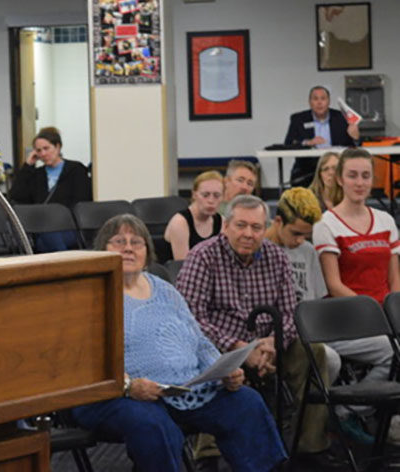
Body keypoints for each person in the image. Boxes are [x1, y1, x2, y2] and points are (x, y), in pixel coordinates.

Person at [72, 214, 285, 472]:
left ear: (147, 252)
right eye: (118, 241)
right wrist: (128, 386)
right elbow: (83, 360)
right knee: (153, 425)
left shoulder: (165, 290)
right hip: (115, 396)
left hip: (182, 388)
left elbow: (198, 341)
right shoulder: (91, 294)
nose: (128, 247)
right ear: (102, 249)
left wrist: (223, 370)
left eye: (136, 242)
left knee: (246, 402)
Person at [176, 195, 337, 467]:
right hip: (220, 345)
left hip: (269, 344)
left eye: (256, 227)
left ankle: (310, 447)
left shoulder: (276, 256)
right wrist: (237, 348)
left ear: (265, 229)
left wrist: (273, 343)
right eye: (241, 225)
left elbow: (289, 312)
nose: (248, 234)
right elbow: (189, 319)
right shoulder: (202, 256)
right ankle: (208, 455)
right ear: (225, 226)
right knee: (212, 359)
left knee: (315, 353)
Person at [269, 187, 396, 445]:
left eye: (305, 235)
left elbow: (316, 301)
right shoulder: (266, 251)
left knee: (390, 349)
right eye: (295, 233)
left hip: (316, 329)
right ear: (278, 221)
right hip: (289, 334)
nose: (299, 241)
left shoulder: (306, 250)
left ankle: (346, 412)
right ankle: (309, 432)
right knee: (330, 361)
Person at [313, 147, 400, 305]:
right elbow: (333, 285)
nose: (360, 183)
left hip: (388, 315)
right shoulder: (325, 223)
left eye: (366, 176)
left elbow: (395, 279)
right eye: (352, 176)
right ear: (340, 179)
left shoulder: (386, 220)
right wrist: (371, 310)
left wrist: (394, 311)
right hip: (351, 313)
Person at [9, 126, 91, 252]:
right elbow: (16, 195)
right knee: (45, 238)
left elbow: (82, 200)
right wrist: (28, 166)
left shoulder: (76, 169)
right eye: (38, 151)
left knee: (48, 239)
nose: (43, 154)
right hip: (41, 227)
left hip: (69, 227)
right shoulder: (37, 174)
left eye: (46, 148)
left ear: (58, 147)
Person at [284, 86, 359, 186]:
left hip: (337, 164)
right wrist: (307, 142)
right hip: (307, 165)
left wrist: (356, 137)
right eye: (315, 99)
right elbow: (288, 143)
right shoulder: (298, 119)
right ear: (310, 102)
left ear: (328, 101)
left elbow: (354, 144)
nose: (319, 102)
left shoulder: (341, 117)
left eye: (323, 98)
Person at [162, 170, 223, 262]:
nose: (211, 200)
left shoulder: (222, 221)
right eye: (205, 195)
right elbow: (183, 266)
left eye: (217, 195)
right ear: (194, 195)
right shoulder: (180, 223)